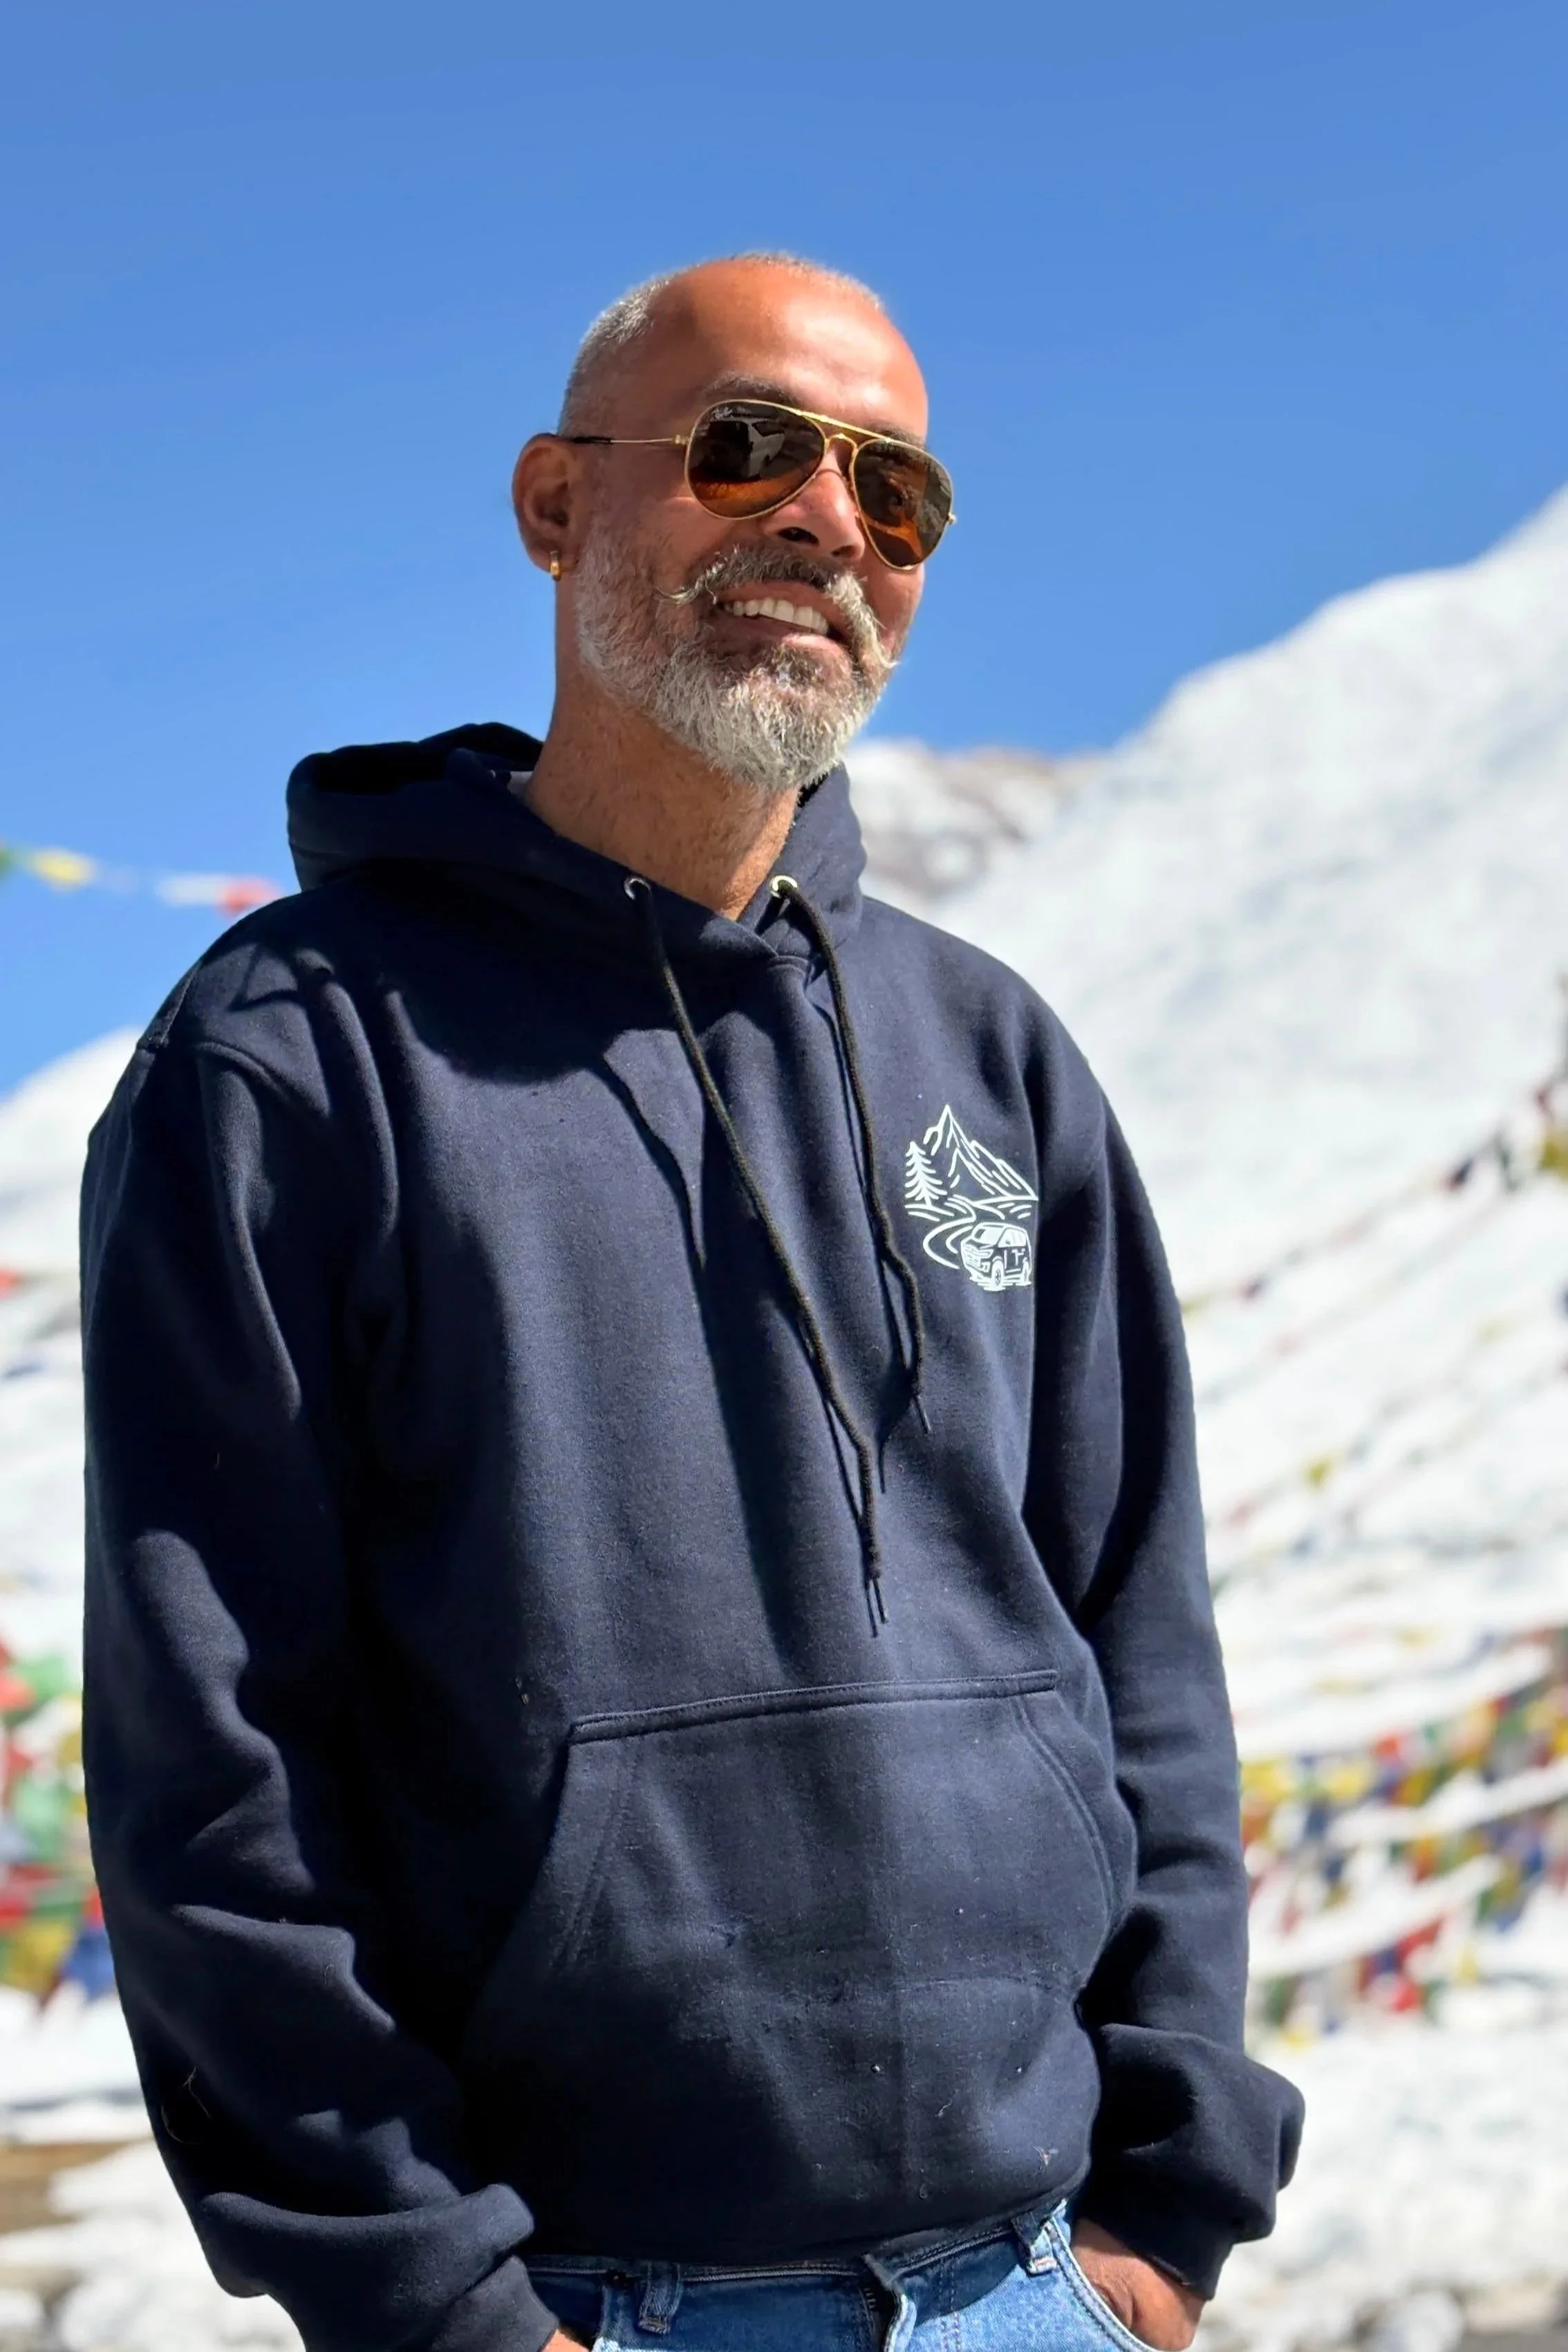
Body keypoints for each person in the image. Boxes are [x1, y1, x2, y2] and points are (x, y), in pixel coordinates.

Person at [81, 254, 1302, 2352]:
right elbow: (215, 1756)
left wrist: (1160, 2221)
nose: (823, 521)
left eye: (891, 491)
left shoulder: (991, 1056)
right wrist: (430, 2300)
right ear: (558, 506)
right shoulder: (291, 1057)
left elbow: (1141, 1649)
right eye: (744, 450)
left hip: (1039, 2290)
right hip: (600, 2304)